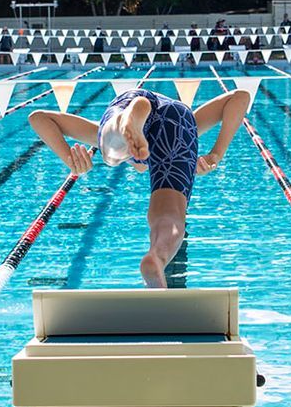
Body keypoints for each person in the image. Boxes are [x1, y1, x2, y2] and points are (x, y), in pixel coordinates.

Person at [28, 83, 253, 288]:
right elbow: (241, 96)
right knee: (171, 215)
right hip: (179, 120)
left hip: (129, 102)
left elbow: (38, 117)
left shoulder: (142, 148)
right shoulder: (186, 130)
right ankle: (156, 257)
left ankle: (127, 120)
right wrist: (215, 154)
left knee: (111, 152)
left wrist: (70, 158)